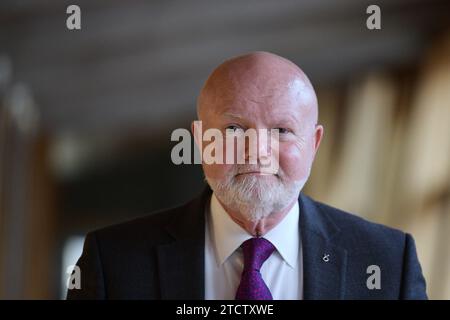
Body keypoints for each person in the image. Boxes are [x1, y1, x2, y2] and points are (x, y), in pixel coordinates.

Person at [67, 51, 427, 300]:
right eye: (235, 129)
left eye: (282, 130)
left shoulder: (388, 262)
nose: (257, 151)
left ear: (314, 143)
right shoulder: (114, 262)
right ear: (200, 140)